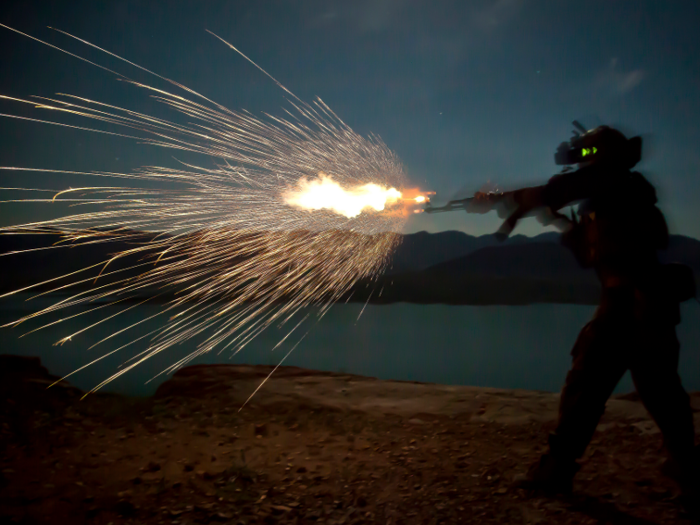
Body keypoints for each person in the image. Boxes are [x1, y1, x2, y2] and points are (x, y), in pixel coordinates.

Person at [482, 123, 698, 510]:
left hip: (635, 303)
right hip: (633, 303)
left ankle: (559, 471)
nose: (581, 161)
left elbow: (559, 190)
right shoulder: (613, 195)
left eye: (588, 153)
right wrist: (561, 223)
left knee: (604, 386)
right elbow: (591, 255)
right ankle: (687, 474)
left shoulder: (616, 184)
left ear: (604, 156)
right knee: (641, 389)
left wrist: (514, 199)